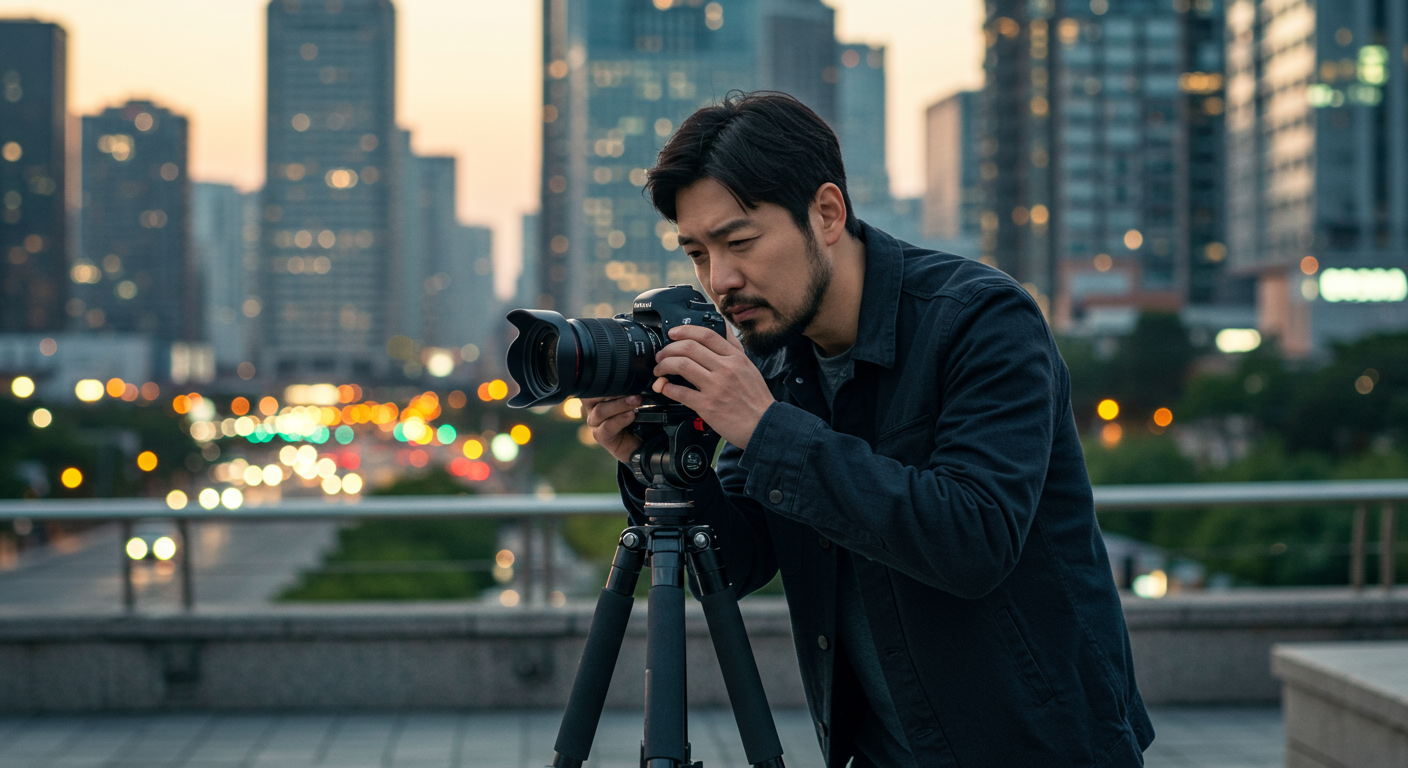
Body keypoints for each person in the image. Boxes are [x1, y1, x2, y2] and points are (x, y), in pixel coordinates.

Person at [582, 91, 1153, 768]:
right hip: (878, 749)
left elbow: (974, 539)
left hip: (1039, 747)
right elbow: (740, 556)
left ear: (827, 213)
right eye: (698, 253)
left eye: (740, 242)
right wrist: (653, 464)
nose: (720, 280)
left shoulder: (981, 320)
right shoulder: (775, 357)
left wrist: (766, 427)